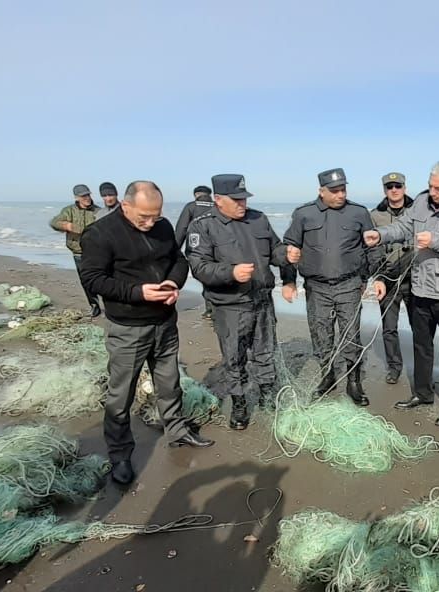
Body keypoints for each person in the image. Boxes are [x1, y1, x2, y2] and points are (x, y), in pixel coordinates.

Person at [78, 180, 214, 486]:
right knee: (120, 395)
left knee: (169, 382)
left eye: (156, 215)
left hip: (164, 321)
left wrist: (172, 285)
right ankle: (120, 454)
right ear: (126, 207)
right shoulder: (100, 234)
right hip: (127, 327)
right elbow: (93, 279)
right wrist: (138, 292)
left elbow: (178, 260)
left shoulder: (163, 227)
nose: (151, 223)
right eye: (144, 217)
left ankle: (177, 431)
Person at [363, 161, 439, 425]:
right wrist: (379, 235)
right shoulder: (421, 201)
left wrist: (435, 240)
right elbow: (403, 227)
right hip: (420, 288)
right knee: (422, 346)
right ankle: (423, 394)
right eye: (430, 186)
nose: (433, 192)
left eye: (438, 188)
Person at [185, 174, 297, 430]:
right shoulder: (202, 226)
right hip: (229, 305)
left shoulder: (258, 219)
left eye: (244, 198)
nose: (241, 204)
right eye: (235, 200)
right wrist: (230, 273)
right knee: (234, 358)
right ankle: (239, 404)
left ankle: (268, 397)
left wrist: (287, 255)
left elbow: (275, 250)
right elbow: (199, 266)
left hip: (262, 301)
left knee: (265, 352)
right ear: (218, 199)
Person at [283, 168, 384, 406]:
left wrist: (367, 279)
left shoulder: (358, 213)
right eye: (335, 191)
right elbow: (290, 249)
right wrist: (288, 280)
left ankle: (353, 381)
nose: (340, 195)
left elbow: (373, 248)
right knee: (321, 334)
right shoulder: (303, 215)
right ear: (321, 191)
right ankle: (327, 376)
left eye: (343, 189)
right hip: (316, 287)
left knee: (351, 334)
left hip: (349, 285)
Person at [369, 172, 415, 384]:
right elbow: (372, 250)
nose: (394, 190)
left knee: (421, 328)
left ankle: (422, 369)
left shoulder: (418, 211)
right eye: (390, 187)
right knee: (389, 327)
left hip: (415, 279)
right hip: (387, 278)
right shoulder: (375, 215)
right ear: (385, 190)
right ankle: (394, 367)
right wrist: (376, 276)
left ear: (405, 187)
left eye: (398, 186)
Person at [50, 184, 103, 317]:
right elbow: (54, 222)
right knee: (85, 280)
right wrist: (66, 225)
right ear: (77, 197)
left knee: (101, 278)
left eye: (88, 195)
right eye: (83, 196)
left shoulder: (98, 211)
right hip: (78, 252)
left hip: (96, 252)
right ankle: (94, 305)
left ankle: (108, 304)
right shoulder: (69, 211)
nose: (87, 198)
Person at [175, 185, 218, 319]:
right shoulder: (218, 205)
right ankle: (215, 307)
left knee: (205, 277)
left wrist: (174, 249)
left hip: (198, 249)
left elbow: (181, 228)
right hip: (218, 248)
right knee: (217, 277)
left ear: (196, 195)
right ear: (209, 194)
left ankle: (211, 309)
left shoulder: (191, 206)